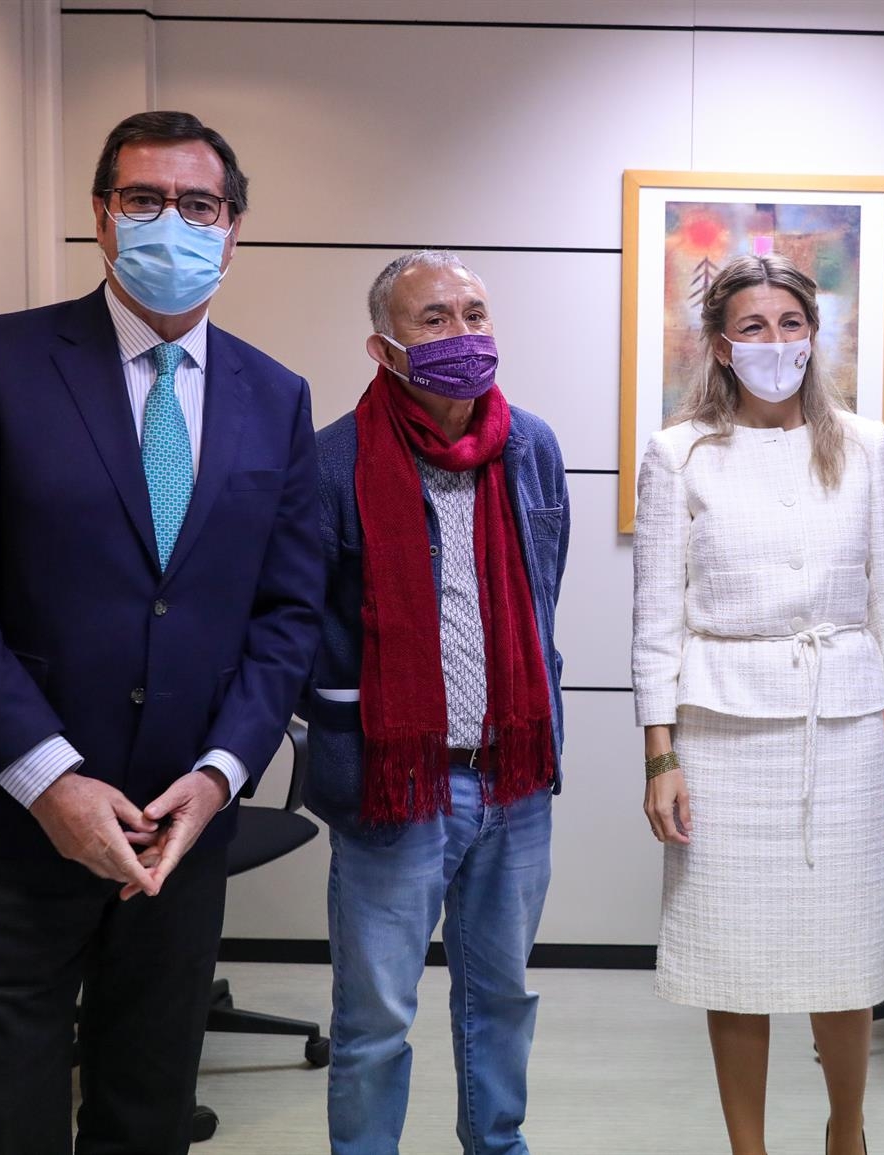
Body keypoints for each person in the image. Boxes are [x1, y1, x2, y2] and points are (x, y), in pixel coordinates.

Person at [0, 110, 322, 1153]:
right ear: (100, 216)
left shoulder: (276, 396)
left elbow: (286, 616)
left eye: (199, 204)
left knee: (147, 1111)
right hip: (9, 822)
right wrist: (52, 781)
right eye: (144, 199)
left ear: (234, 227)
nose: (172, 222)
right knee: (6, 1123)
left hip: (179, 829)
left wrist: (220, 775)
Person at [631, 253, 884, 1155]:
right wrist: (661, 757)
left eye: (790, 324)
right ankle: (747, 1147)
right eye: (753, 327)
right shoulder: (678, 453)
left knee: (842, 950)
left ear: (814, 334)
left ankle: (847, 1129)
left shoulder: (864, 444)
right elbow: (655, 619)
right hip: (721, 731)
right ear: (721, 345)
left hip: (837, 727)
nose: (774, 342)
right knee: (735, 955)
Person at [301, 249, 569, 1155]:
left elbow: (543, 592)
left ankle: (497, 1144)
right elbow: (300, 624)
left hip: (513, 779)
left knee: (502, 997)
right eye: (435, 319)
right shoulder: (333, 461)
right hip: (396, 781)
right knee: (375, 1017)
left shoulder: (531, 446)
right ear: (384, 348)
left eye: (475, 313)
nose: (464, 334)